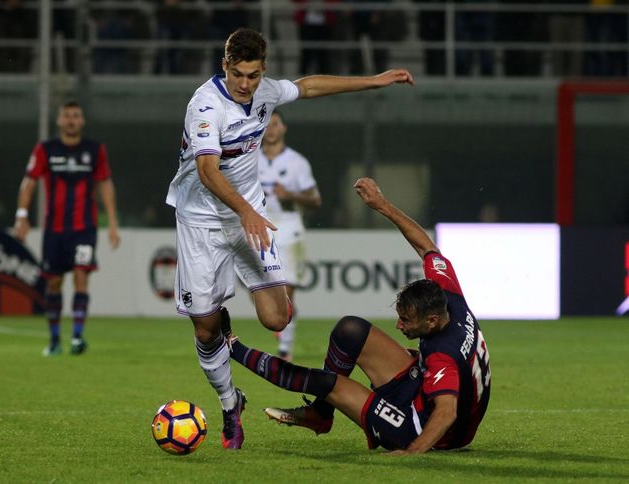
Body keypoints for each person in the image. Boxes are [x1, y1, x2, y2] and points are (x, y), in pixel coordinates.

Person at [166, 27, 414, 450]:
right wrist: (245, 211)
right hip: (203, 223)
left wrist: (373, 81)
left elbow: (309, 86)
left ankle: (245, 321)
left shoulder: (263, 93)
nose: (246, 84)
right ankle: (230, 404)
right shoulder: (205, 106)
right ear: (225, 66)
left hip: (250, 218)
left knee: (277, 319)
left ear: (263, 71)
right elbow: (208, 171)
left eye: (255, 75)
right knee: (205, 330)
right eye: (239, 74)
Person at [224, 177, 491, 453]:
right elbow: (427, 247)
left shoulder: (441, 357)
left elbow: (447, 413)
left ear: (432, 320)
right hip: (421, 391)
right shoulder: (450, 296)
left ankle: (232, 347)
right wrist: (382, 205)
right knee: (350, 331)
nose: (399, 325)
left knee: (329, 384)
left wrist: (411, 452)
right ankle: (320, 413)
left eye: (407, 320)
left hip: (426, 429)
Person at [13, 101, 120, 357]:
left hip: (84, 228)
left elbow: (105, 184)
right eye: (67, 116)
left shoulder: (94, 150)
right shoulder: (46, 149)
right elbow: (29, 182)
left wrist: (113, 222)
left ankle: (76, 337)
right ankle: (53, 341)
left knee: (82, 277)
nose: (71, 120)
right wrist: (22, 215)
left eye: (76, 115)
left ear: (81, 121)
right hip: (55, 229)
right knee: (54, 283)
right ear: (59, 120)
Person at [258, 111, 321, 361]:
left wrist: (291, 195)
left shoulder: (297, 162)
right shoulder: (250, 159)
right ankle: (280, 324)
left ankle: (285, 350)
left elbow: (315, 199)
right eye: (267, 125)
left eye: (275, 124)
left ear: (284, 128)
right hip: (258, 229)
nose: (271, 129)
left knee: (287, 294)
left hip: (289, 229)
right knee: (256, 286)